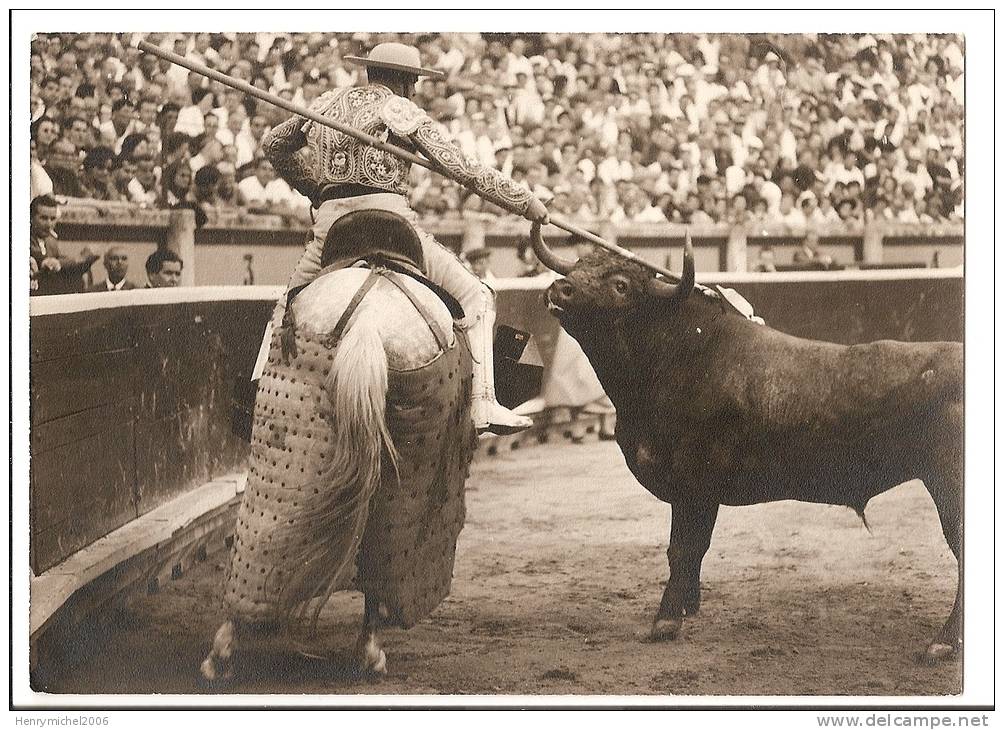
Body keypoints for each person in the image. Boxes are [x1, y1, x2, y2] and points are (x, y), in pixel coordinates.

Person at [262, 42, 549, 434]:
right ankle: (483, 405)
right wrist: (523, 201)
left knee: (285, 308)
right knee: (478, 296)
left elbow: (274, 146)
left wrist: (316, 189)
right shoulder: (400, 109)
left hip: (332, 228)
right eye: (412, 81)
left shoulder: (326, 103)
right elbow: (462, 169)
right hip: (389, 220)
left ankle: (262, 395)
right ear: (401, 79)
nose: (413, 90)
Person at [30, 194, 98, 295]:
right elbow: (47, 262)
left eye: (52, 219)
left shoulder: (51, 241)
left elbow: (58, 260)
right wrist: (78, 259)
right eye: (43, 218)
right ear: (31, 218)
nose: (49, 224)